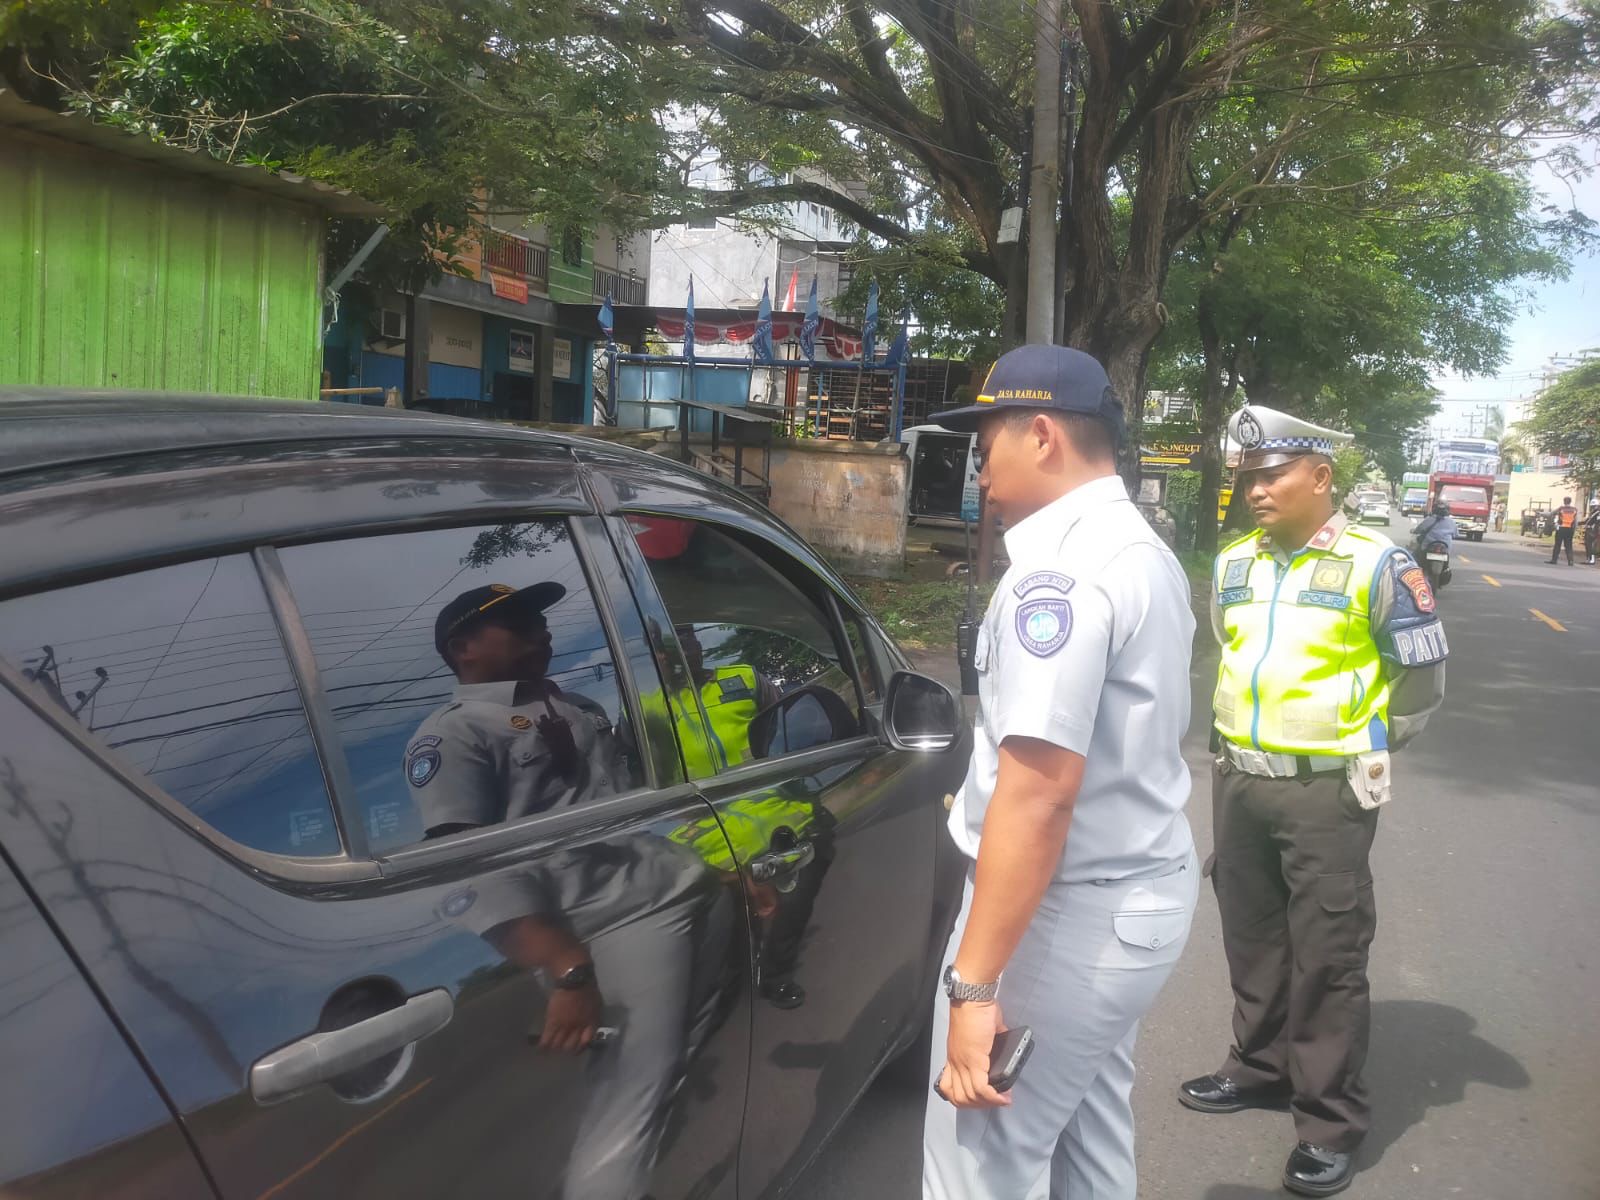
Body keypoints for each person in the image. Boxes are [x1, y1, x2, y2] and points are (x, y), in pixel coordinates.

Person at [922, 344, 1199, 1199]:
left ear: (1041, 434)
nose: (980, 469)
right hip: (1127, 900)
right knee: (1088, 1139)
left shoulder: (1064, 573)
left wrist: (974, 986)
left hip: (1065, 915)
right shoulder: (1136, 548)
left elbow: (1037, 794)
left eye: (986, 443)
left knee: (978, 1165)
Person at [1180, 405, 1448, 1198]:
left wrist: (1368, 746)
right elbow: (1228, 656)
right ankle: (1258, 1066)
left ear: (1320, 477)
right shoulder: (1235, 564)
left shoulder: (1381, 565)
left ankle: (1329, 1120)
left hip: (1326, 788)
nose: (1254, 490)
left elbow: (1422, 679)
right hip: (1239, 778)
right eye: (1246, 478)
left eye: (1271, 476)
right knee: (1251, 934)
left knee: (1327, 953)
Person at [404, 582, 627, 839]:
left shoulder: (579, 704)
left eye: (542, 624)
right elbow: (471, 862)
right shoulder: (454, 732)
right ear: (462, 649)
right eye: (520, 625)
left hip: (660, 860)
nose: (545, 635)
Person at [1549, 496, 1580, 565]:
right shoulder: (1574, 510)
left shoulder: (1561, 508)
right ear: (1570, 501)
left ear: (1564, 501)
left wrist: (1554, 522)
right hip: (1570, 529)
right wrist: (1574, 529)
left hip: (1561, 528)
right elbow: (1575, 521)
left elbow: (1552, 513)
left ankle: (1554, 560)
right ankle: (1570, 561)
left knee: (1557, 545)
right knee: (1569, 545)